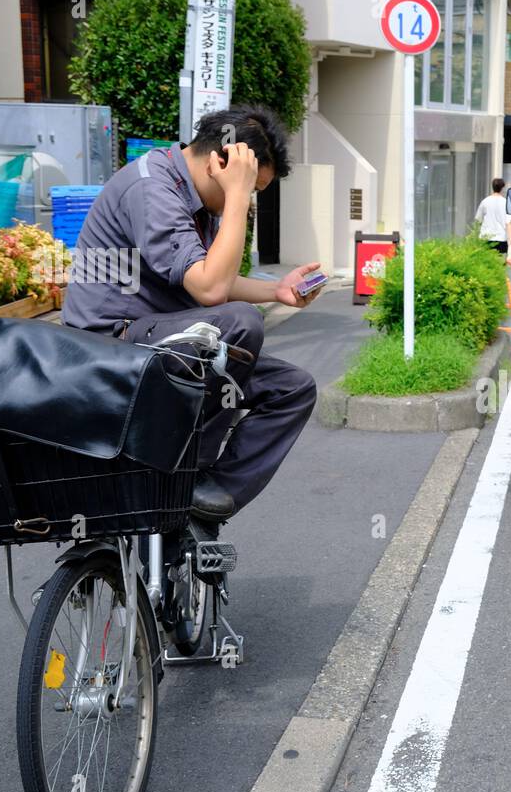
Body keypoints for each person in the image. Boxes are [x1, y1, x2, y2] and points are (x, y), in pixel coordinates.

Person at [62, 105, 319, 523]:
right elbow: (212, 288)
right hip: (110, 345)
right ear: (222, 162)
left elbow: (208, 275)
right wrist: (236, 197)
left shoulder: (195, 197)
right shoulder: (152, 189)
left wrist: (277, 290)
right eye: (253, 187)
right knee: (240, 323)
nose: (250, 199)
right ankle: (187, 474)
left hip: (162, 338)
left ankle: (209, 497)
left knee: (292, 389)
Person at [474, 178, 511, 254]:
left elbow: (478, 220)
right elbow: (508, 222)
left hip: (485, 238)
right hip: (501, 240)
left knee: (484, 264)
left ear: (492, 187)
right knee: (500, 264)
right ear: (502, 188)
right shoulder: (506, 203)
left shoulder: (485, 202)